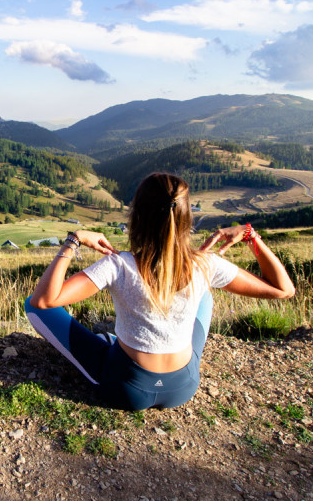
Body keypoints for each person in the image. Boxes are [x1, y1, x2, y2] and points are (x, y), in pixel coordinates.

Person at [25, 172, 294, 411]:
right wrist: (250, 236)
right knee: (205, 294)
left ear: (137, 218)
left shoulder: (118, 266)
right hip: (183, 386)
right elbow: (283, 290)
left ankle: (112, 344)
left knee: (32, 306)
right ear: (186, 218)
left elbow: (43, 301)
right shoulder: (205, 264)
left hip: (126, 388)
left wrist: (75, 240)